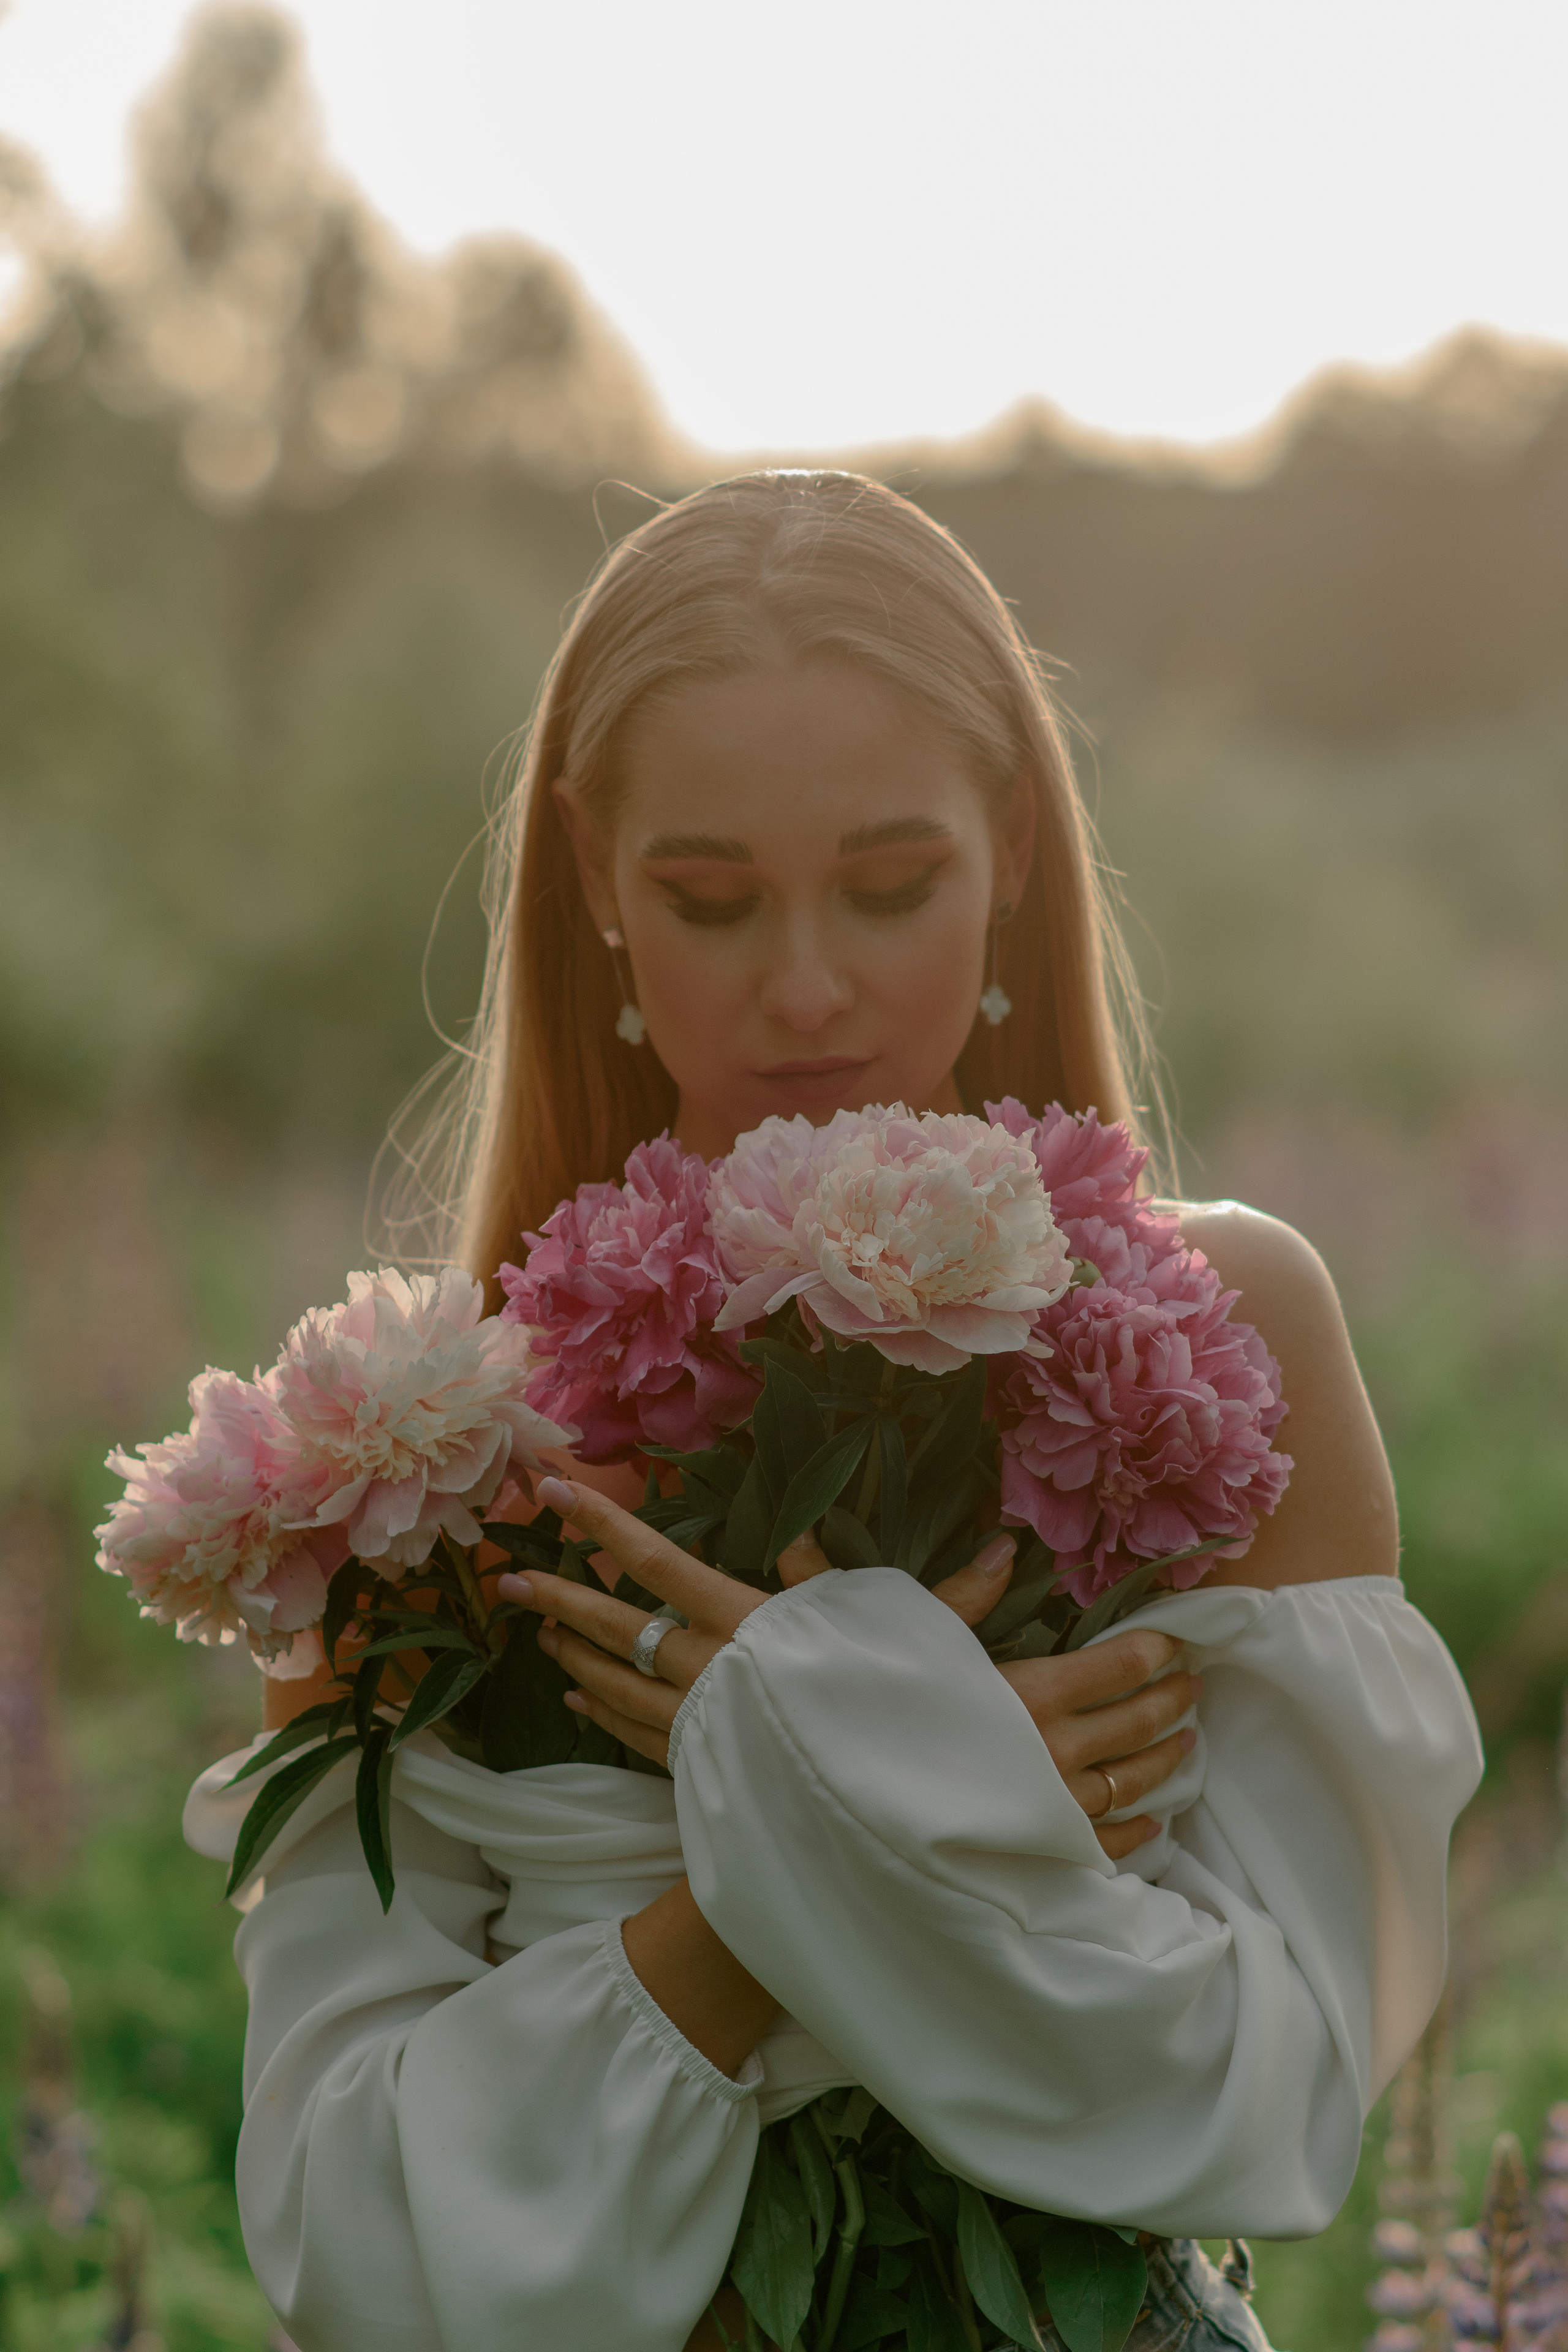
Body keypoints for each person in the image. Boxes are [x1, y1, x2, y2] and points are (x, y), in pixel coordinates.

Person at [184, 470, 1482, 2352]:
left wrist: (800, 1759)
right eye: (709, 898)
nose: (806, 986)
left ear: (1015, 849)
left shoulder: (1216, 1328)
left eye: (892, 884)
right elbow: (360, 2247)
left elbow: (1261, 2100)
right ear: (595, 889)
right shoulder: (417, 1447)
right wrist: (849, 1804)